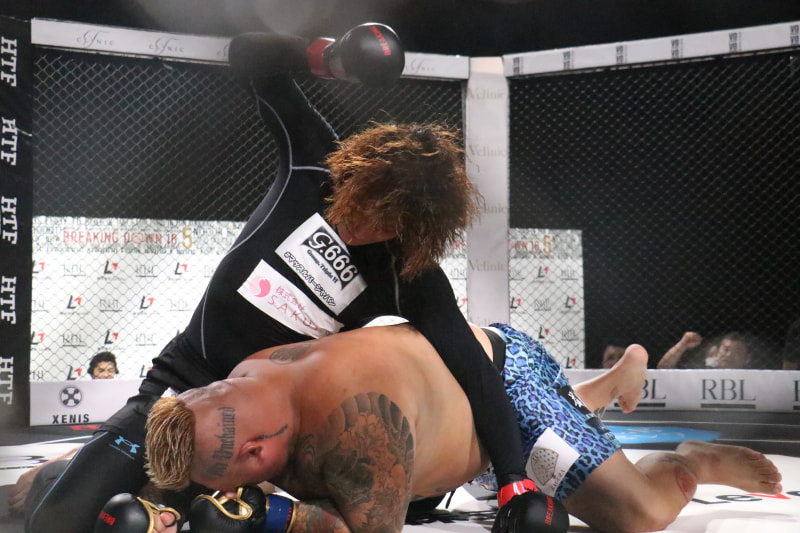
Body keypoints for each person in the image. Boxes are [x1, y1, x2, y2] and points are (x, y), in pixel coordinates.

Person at [26, 24, 537, 533]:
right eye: (366, 211)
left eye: (388, 228)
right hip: (182, 386)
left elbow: (475, 370)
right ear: (359, 179)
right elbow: (249, 56)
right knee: (57, 522)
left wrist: (514, 480)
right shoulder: (314, 166)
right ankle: (72, 475)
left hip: (260, 434)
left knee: (188, 521)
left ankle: (156, 492)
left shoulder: (406, 272)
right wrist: (330, 58)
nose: (365, 232)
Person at [142, 323, 782, 533]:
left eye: (240, 473)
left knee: (637, 514)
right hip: (445, 417)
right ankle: (607, 386)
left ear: (257, 449)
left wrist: (266, 515)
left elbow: (367, 530)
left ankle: (694, 460)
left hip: (505, 388)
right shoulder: (241, 380)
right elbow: (214, 457)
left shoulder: (361, 423)